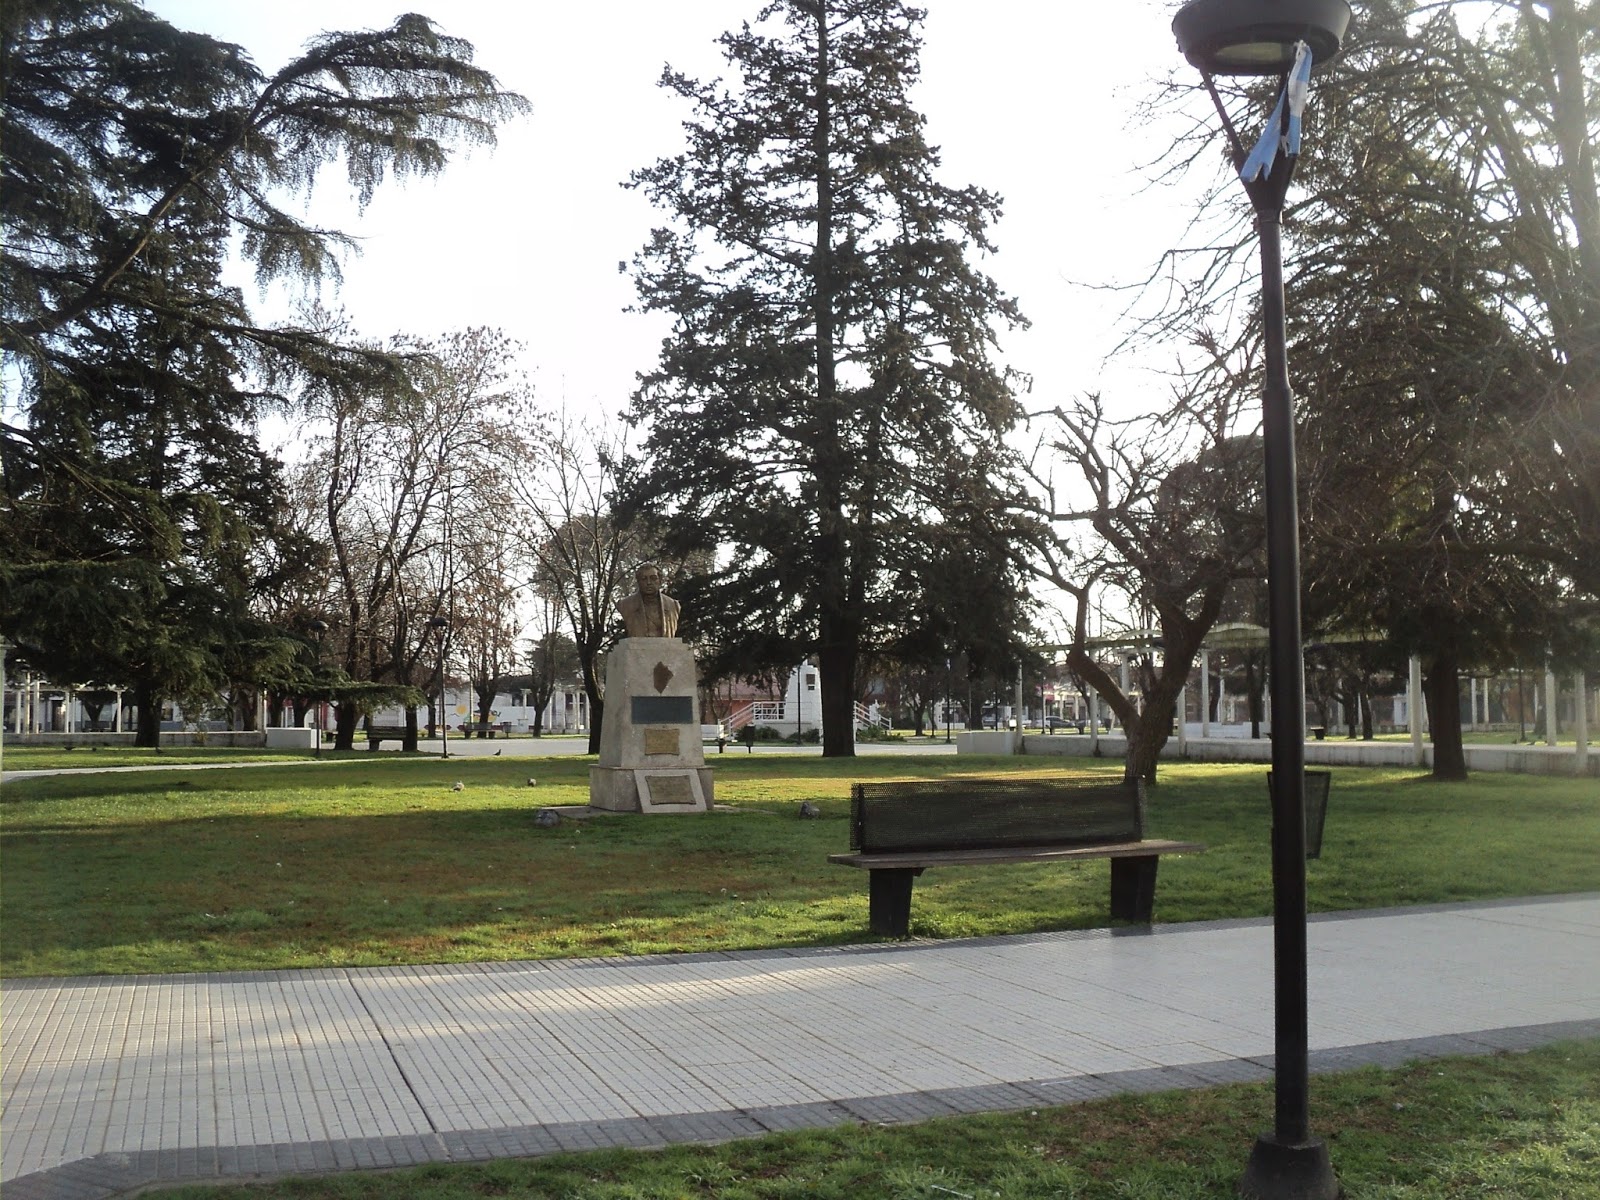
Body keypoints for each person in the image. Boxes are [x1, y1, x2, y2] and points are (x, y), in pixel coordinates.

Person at [617, 564, 680, 638]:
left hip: (666, 647)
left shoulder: (673, 605)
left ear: (660, 581)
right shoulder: (625, 604)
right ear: (638, 582)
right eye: (644, 579)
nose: (649, 582)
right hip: (637, 646)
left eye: (653, 578)